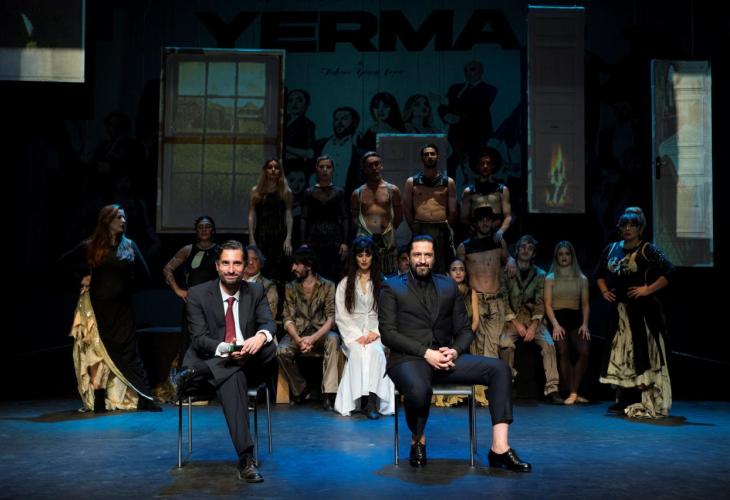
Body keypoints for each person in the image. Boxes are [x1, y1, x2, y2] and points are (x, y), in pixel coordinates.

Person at [379, 235, 531, 471]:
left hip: (445, 358)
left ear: (434, 258)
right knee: (419, 390)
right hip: (408, 358)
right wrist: (426, 353)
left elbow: (464, 330)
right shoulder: (392, 286)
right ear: (409, 258)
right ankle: (417, 439)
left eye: (427, 255)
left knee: (500, 369)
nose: (422, 260)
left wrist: (455, 350)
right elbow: (388, 333)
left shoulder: (447, 286)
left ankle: (499, 448)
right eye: (417, 255)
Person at [175, 240, 276, 483]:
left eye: (237, 263)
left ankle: (195, 371)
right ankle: (246, 459)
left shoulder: (256, 291)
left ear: (245, 266)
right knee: (234, 375)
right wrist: (228, 350)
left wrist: (259, 338)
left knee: (270, 346)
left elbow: (268, 323)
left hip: (243, 362)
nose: (231, 269)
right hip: (216, 362)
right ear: (217, 266)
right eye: (226, 263)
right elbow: (199, 339)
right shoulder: (198, 294)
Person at [68, 204, 161, 413]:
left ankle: (145, 398)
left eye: (124, 217)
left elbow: (146, 275)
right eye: (119, 217)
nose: (123, 221)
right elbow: (62, 264)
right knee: (97, 352)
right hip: (96, 307)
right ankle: (99, 401)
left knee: (129, 351)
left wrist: (125, 289)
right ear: (107, 220)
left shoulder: (129, 246)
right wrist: (82, 278)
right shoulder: (91, 245)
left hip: (122, 309)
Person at [597, 209, 674, 418]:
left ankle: (643, 397)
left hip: (642, 312)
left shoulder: (647, 249)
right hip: (620, 313)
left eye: (632, 225)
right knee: (622, 355)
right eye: (624, 225)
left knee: (641, 352)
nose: (628, 229)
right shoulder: (612, 248)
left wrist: (647, 289)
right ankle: (625, 398)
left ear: (640, 228)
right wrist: (604, 291)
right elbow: (599, 274)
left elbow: (670, 271)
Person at [333, 236, 395, 418]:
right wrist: (356, 335)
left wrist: (376, 332)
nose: (364, 259)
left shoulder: (383, 282)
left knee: (375, 352)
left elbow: (389, 313)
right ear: (355, 258)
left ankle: (372, 403)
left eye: (367, 255)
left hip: (378, 333)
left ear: (373, 256)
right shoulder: (345, 284)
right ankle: (358, 400)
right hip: (353, 334)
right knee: (358, 352)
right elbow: (341, 315)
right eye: (360, 255)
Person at [456, 206, 512, 406]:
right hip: (476, 300)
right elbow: (458, 271)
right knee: (478, 346)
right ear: (475, 223)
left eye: (489, 219)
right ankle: (482, 393)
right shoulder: (464, 247)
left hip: (496, 300)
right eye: (481, 220)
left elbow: (507, 260)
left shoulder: (499, 242)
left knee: (493, 344)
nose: (485, 223)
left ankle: (494, 390)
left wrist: (511, 260)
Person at [499, 235, 563, 405]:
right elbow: (503, 300)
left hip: (534, 320)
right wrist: (516, 323)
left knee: (548, 344)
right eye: (523, 247)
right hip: (512, 320)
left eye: (530, 248)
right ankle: (508, 383)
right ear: (517, 250)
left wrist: (533, 326)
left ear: (534, 253)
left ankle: (552, 389)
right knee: (505, 343)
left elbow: (540, 302)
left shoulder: (540, 274)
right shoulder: (506, 271)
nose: (526, 250)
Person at [277, 246, 341, 410]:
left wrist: (313, 339)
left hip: (320, 332)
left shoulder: (327, 285)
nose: (293, 268)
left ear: (309, 265)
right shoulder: (291, 287)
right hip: (298, 332)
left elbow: (331, 318)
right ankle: (301, 389)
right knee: (281, 350)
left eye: (297, 264)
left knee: (333, 339)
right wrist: (298, 340)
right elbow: (287, 318)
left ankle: (329, 393)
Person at [162, 215, 220, 364]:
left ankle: (211, 372)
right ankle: (188, 373)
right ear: (196, 231)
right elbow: (167, 269)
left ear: (213, 230)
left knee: (213, 338)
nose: (204, 229)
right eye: (200, 227)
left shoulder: (220, 251)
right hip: (193, 303)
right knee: (189, 339)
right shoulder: (188, 249)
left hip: (214, 303)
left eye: (207, 226)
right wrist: (178, 290)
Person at [544, 241, 591, 405]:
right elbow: (547, 305)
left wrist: (585, 324)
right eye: (560, 254)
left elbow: (585, 304)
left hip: (576, 319)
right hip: (558, 318)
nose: (564, 257)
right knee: (563, 351)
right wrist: (555, 325)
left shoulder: (582, 279)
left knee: (584, 352)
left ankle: (574, 391)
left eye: (567, 254)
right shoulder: (550, 278)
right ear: (556, 257)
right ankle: (573, 392)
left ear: (572, 256)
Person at [402, 144, 457, 274]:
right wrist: (413, 227)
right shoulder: (412, 182)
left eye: (432, 154)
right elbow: (406, 208)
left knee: (441, 264)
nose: (429, 157)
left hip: (441, 227)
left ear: (438, 157)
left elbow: (453, 210)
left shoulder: (448, 182)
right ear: (422, 158)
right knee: (420, 263)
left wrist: (446, 226)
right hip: (420, 227)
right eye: (426, 154)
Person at [438, 60, 497, 178]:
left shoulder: (489, 89)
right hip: (456, 134)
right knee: (452, 162)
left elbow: (479, 108)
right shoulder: (455, 88)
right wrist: (445, 115)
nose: (468, 73)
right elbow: (443, 105)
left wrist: (459, 116)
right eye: (466, 70)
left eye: (472, 69)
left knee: (475, 163)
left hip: (477, 134)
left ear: (481, 71)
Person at [433, 258, 478, 408]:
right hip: (447, 337)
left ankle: (465, 394)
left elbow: (476, 320)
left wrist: (465, 337)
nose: (458, 273)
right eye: (454, 269)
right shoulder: (443, 291)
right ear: (448, 273)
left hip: (466, 337)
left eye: (461, 269)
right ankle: (447, 395)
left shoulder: (471, 292)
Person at [351, 151, 403, 275]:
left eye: (377, 164)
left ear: (381, 166)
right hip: (365, 240)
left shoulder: (393, 190)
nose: (374, 168)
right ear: (365, 169)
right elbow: (354, 218)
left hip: (387, 241)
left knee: (389, 276)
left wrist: (387, 231)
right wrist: (367, 233)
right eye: (370, 165)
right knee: (366, 276)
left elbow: (399, 217)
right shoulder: (358, 193)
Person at [301, 156, 349, 282]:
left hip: (334, 239)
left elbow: (345, 218)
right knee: (315, 272)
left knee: (334, 272)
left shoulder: (339, 192)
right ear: (316, 169)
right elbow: (304, 218)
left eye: (328, 167)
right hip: (314, 239)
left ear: (333, 170)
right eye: (321, 167)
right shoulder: (309, 192)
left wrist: (345, 242)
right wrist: (303, 242)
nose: (325, 170)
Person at [248, 158, 293, 283]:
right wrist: (251, 238)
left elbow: (289, 214)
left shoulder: (286, 192)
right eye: (270, 167)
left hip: (280, 234)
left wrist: (288, 237)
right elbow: (251, 214)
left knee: (280, 269)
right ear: (265, 170)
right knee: (262, 267)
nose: (273, 170)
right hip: (262, 234)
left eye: (276, 167)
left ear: (280, 171)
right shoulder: (256, 191)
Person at [460, 147, 512, 241]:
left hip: (496, 234)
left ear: (493, 166)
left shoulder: (502, 190)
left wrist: (501, 232)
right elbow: (464, 217)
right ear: (477, 166)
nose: (485, 166)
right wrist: (472, 228)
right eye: (482, 163)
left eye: (488, 163)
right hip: (476, 235)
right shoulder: (469, 191)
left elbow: (508, 216)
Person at [315, 106, 363, 196]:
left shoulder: (358, 151)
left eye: (344, 119)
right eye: (336, 119)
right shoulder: (320, 144)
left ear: (354, 123)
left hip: (345, 199)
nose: (339, 123)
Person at [242, 245, 279, 322]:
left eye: (255, 259)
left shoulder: (268, 286)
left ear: (261, 262)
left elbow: (269, 315)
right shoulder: (234, 282)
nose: (251, 262)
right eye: (247, 259)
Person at [284, 89, 317, 175]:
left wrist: (285, 147)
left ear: (306, 104)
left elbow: (310, 153)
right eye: (290, 100)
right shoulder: (282, 121)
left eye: (299, 100)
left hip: (295, 167)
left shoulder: (307, 124)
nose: (294, 103)